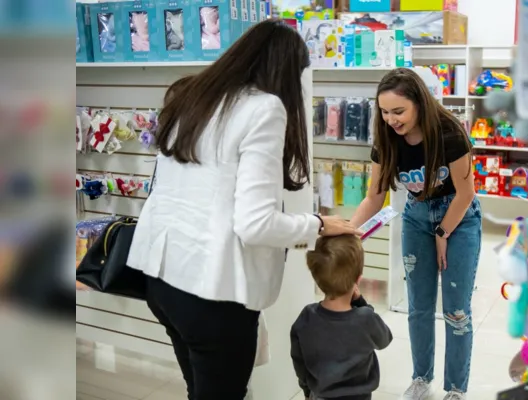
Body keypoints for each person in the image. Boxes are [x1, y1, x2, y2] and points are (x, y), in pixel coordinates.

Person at [126, 19, 360, 400]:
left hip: (163, 280)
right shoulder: (264, 108)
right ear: (286, 72)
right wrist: (316, 224)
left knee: (199, 389)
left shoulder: (193, 96)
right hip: (212, 295)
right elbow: (255, 223)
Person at [349, 68, 482, 400]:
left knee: (456, 310)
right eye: (384, 112)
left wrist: (443, 231)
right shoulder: (387, 139)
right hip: (417, 218)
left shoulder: (449, 132)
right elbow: (374, 196)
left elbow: (466, 194)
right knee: (419, 307)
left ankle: (455, 389)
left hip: (458, 218)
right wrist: (350, 232)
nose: (391, 119)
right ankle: (421, 379)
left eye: (399, 111)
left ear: (419, 104)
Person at [291, 235, 393, 400]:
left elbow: (299, 361)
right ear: (358, 279)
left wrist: (307, 390)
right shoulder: (365, 318)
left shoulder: (307, 317)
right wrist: (360, 303)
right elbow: (385, 339)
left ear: (317, 279)